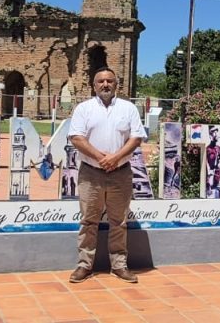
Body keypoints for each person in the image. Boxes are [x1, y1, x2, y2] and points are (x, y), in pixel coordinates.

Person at [66, 67, 146, 284]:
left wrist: (115, 158)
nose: (105, 85)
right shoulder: (84, 109)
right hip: (91, 173)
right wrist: (102, 158)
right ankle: (84, 265)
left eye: (110, 81)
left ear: (116, 85)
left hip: (120, 173)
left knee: (119, 222)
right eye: (101, 81)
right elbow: (76, 137)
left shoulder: (128, 109)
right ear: (94, 86)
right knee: (88, 221)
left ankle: (119, 265)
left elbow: (136, 137)